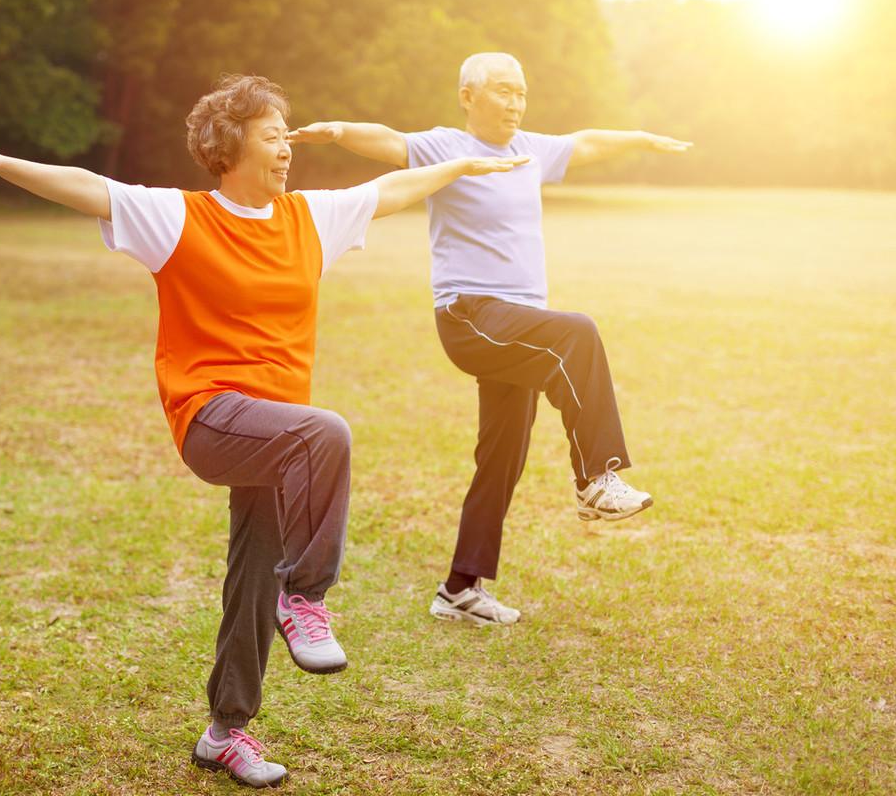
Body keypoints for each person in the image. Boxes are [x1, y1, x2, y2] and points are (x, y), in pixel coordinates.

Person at [0, 73, 526, 788]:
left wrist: (463, 164)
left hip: (276, 436)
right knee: (325, 434)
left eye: (286, 136)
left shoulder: (309, 219)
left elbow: (393, 192)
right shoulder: (176, 218)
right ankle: (305, 597)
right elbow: (86, 186)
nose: (285, 150)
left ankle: (225, 732)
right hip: (211, 417)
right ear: (230, 146)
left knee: (249, 575)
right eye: (272, 137)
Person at [289, 52, 692, 627]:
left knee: (502, 456)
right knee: (576, 335)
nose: (515, 103)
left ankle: (459, 589)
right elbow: (388, 141)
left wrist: (640, 139)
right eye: (503, 92)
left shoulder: (530, 150)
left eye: (522, 93)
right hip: (471, 314)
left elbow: (587, 142)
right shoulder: (446, 147)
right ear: (468, 95)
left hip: (518, 330)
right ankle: (597, 478)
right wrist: (338, 131)